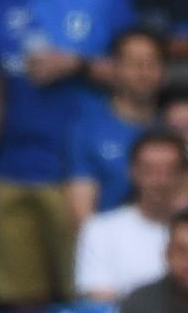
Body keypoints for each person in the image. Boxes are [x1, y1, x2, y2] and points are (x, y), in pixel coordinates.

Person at [0, 0, 135, 307]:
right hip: (13, 172)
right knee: (19, 303)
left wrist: (78, 66)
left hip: (80, 173)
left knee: (82, 297)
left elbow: (138, 75)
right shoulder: (0, 4)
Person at [74, 129, 188, 303]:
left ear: (184, 175)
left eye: (170, 170)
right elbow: (99, 304)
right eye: (151, 171)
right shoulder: (100, 231)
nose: (161, 181)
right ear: (133, 172)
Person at [65, 27, 167, 225]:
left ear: (163, 71)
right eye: (134, 64)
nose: (143, 72)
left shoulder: (174, 128)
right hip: (109, 248)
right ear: (114, 68)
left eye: (151, 63)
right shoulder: (87, 130)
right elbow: (81, 213)